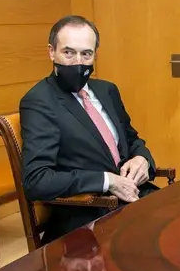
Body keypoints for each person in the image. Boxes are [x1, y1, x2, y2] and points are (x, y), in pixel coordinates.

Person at [20, 15, 157, 243]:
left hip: (132, 197)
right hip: (89, 212)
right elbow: (37, 180)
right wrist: (107, 180)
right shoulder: (39, 101)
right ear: (51, 52)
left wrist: (142, 158)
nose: (78, 62)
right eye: (68, 52)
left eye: (86, 54)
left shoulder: (106, 91)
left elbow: (132, 140)